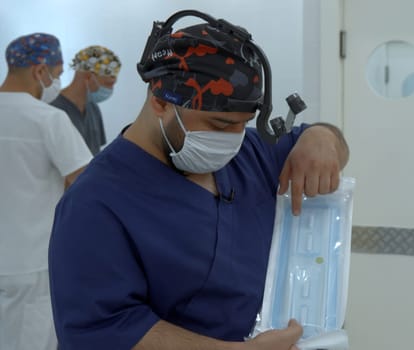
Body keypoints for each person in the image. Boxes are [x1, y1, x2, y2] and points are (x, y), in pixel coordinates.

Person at [48, 10, 349, 350]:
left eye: (243, 123)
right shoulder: (96, 203)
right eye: (220, 126)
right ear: (161, 101)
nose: (234, 139)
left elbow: (318, 142)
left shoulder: (250, 153)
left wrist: (322, 139)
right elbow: (105, 328)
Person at [0, 33, 93, 350]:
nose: (57, 80)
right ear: (41, 70)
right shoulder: (48, 119)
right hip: (31, 265)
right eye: (57, 70)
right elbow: (87, 186)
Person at [51, 45, 121, 155]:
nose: (110, 90)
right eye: (108, 84)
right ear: (88, 76)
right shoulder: (53, 110)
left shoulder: (93, 109)